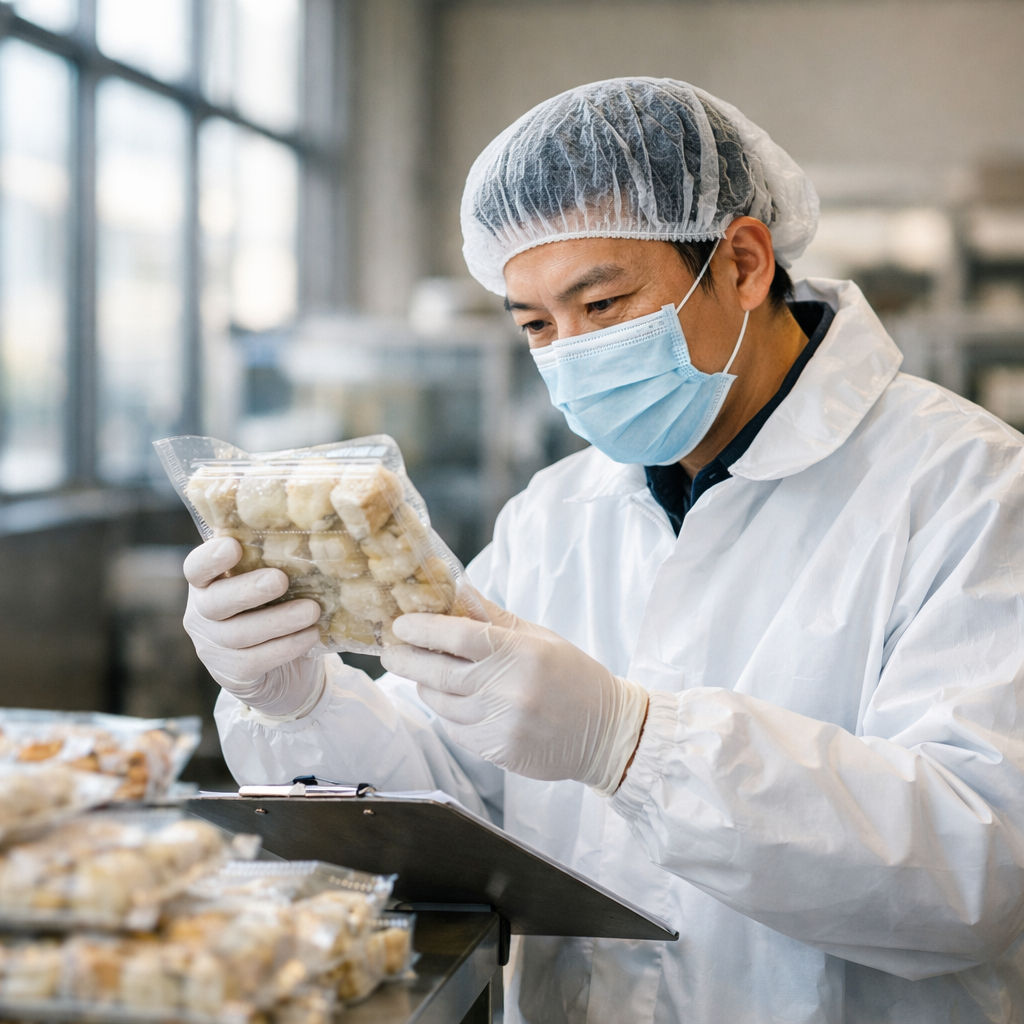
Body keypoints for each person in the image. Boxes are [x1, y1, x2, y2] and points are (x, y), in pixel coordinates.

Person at [182, 79, 1024, 1022]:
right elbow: (454, 803)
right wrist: (299, 701)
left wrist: (632, 747)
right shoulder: (558, 510)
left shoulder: (970, 488)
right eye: (538, 324)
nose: (573, 353)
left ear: (744, 263)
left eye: (606, 302)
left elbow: (981, 870)